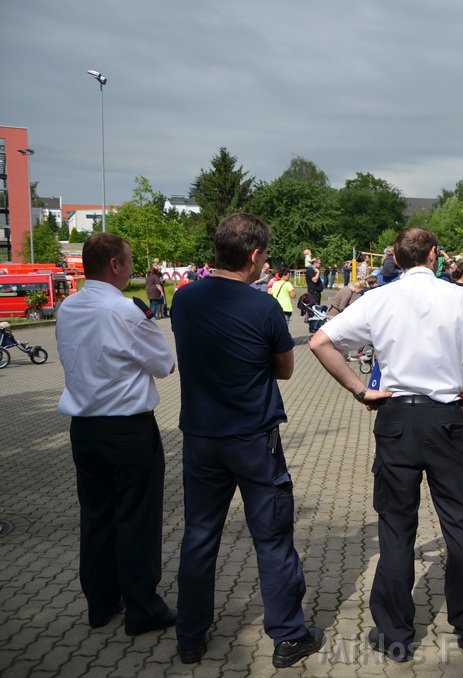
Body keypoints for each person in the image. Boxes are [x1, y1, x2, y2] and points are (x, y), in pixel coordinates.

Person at [310, 227, 463, 662]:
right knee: (458, 523)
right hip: (447, 418)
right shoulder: (462, 297)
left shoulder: (379, 297)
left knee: (396, 527)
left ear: (395, 255)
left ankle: (395, 634)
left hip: (397, 419)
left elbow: (320, 341)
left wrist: (359, 389)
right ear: (434, 255)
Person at [171, 213, 323, 668]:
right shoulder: (263, 308)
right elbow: (285, 368)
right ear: (254, 256)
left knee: (199, 535)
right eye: (265, 256)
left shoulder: (183, 300)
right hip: (253, 439)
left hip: (200, 435)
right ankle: (289, 636)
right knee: (272, 537)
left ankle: (190, 636)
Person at [55, 232, 177, 636]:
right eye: (128, 262)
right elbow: (164, 364)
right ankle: (142, 608)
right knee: (136, 520)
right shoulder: (125, 312)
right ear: (114, 265)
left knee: (96, 517)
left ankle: (101, 603)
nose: (131, 271)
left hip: (84, 429)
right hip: (127, 429)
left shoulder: (66, 308)